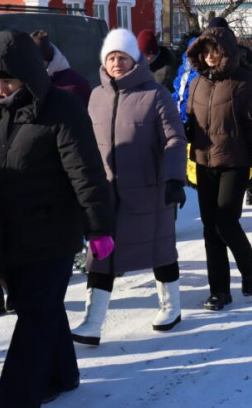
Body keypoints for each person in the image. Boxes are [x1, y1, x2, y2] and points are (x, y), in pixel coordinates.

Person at [0, 30, 115, 406]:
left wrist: (99, 226)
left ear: (30, 75)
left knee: (34, 312)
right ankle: (64, 374)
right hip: (8, 229)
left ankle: (17, 396)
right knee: (42, 306)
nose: (0, 88)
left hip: (53, 230)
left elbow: (86, 171)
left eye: (8, 80)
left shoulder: (62, 108)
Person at [72, 29, 187, 345]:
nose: (117, 63)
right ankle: (93, 321)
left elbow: (175, 138)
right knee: (101, 252)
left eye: (123, 57)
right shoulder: (96, 96)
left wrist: (176, 178)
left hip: (150, 188)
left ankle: (171, 307)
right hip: (105, 192)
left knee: (160, 248)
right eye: (111, 58)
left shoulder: (156, 95)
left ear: (135, 61)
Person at [186, 25, 252, 311]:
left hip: (235, 162)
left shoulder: (244, 82)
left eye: (216, 51)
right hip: (204, 162)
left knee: (225, 222)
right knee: (210, 229)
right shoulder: (196, 83)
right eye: (206, 51)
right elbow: (191, 120)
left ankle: (249, 265)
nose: (211, 57)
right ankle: (219, 291)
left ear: (228, 51)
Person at [30, 29, 92, 106]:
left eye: (34, 60)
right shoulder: (27, 82)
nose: (31, 65)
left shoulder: (78, 85)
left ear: (45, 60)